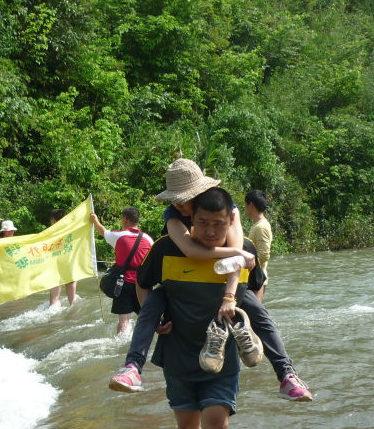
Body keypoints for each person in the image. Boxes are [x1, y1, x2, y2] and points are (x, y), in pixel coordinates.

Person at [109, 159, 312, 401]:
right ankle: (132, 367)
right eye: (176, 199)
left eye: (186, 198)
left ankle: (287, 374)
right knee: (154, 303)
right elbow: (193, 252)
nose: (180, 204)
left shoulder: (228, 211)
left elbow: (237, 255)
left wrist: (231, 299)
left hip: (227, 284)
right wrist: (155, 319)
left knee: (258, 312)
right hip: (179, 282)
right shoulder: (172, 219)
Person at [136, 187, 258, 429]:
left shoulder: (245, 249)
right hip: (178, 351)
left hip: (221, 353)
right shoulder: (167, 247)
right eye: (203, 223)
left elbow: (256, 288)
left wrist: (247, 322)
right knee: (188, 427)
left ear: (230, 220)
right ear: (191, 218)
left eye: (218, 224)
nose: (211, 230)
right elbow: (142, 284)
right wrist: (154, 320)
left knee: (217, 422)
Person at [90, 207, 154, 334]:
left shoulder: (118, 236)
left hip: (122, 283)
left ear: (125, 219)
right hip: (143, 284)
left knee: (124, 321)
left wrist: (95, 220)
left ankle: (121, 346)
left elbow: (102, 231)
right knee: (146, 319)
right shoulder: (149, 239)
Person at [245, 190, 272, 302]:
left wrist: (247, 264)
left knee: (255, 313)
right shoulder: (258, 225)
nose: (245, 208)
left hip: (257, 277)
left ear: (250, 205)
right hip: (255, 276)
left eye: (245, 205)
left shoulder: (261, 227)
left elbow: (264, 254)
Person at [48, 208, 77, 308]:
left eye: (51, 220)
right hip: (69, 261)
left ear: (54, 220)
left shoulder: (50, 232)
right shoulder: (71, 229)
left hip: (55, 262)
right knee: (72, 298)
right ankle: (73, 310)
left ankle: (53, 310)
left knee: (54, 298)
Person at [0, 220, 17, 303]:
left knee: (15, 297)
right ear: (4, 232)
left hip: (12, 271)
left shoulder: (17, 241)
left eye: (12, 230)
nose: (11, 232)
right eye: (9, 231)